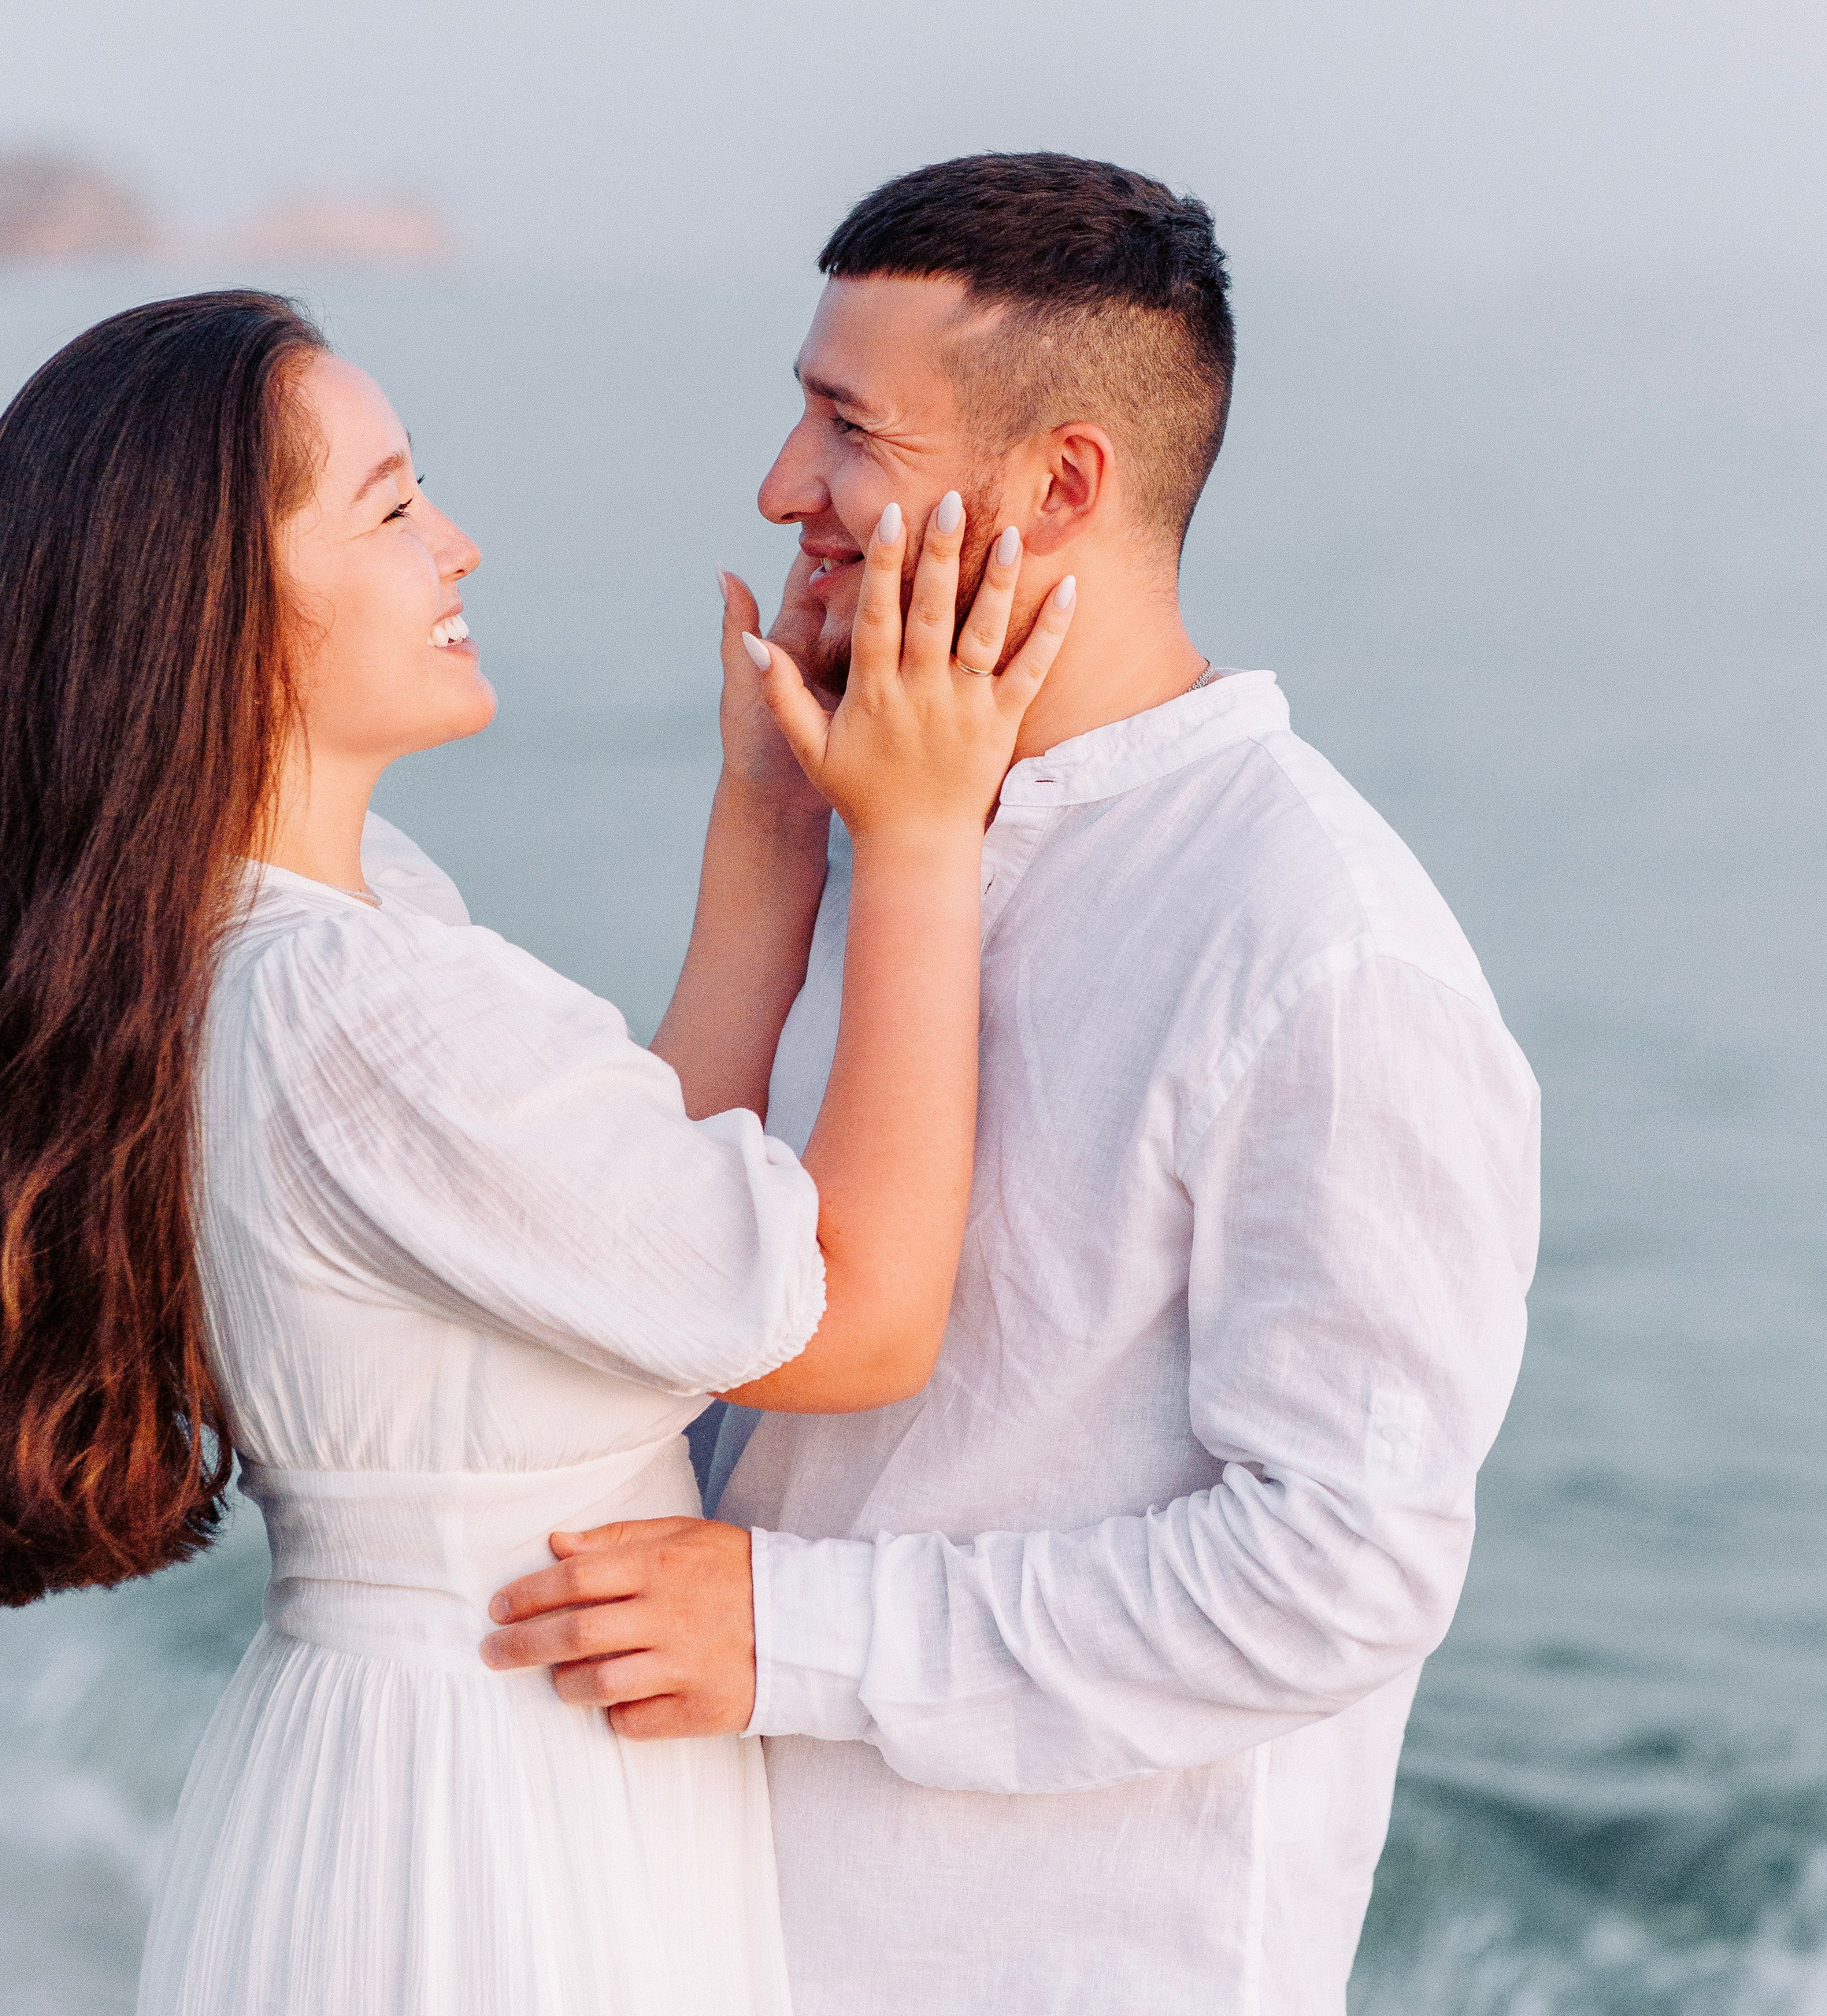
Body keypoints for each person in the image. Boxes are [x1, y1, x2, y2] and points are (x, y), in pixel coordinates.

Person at [0, 288, 1073, 2014]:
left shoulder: (276, 944)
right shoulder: (355, 1005)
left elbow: (624, 1227)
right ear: (218, 611)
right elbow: (855, 1317)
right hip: (491, 1806)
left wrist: (773, 818)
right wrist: (924, 834)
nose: (458, 543)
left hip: (402, 1751)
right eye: (392, 506)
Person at [483, 154, 1544, 2014]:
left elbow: (1339, 1566)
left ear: (1061, 484)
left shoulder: (1319, 945)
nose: (780, 486)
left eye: (848, 427)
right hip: (705, 1928)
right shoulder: (892, 828)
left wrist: (789, 1628)